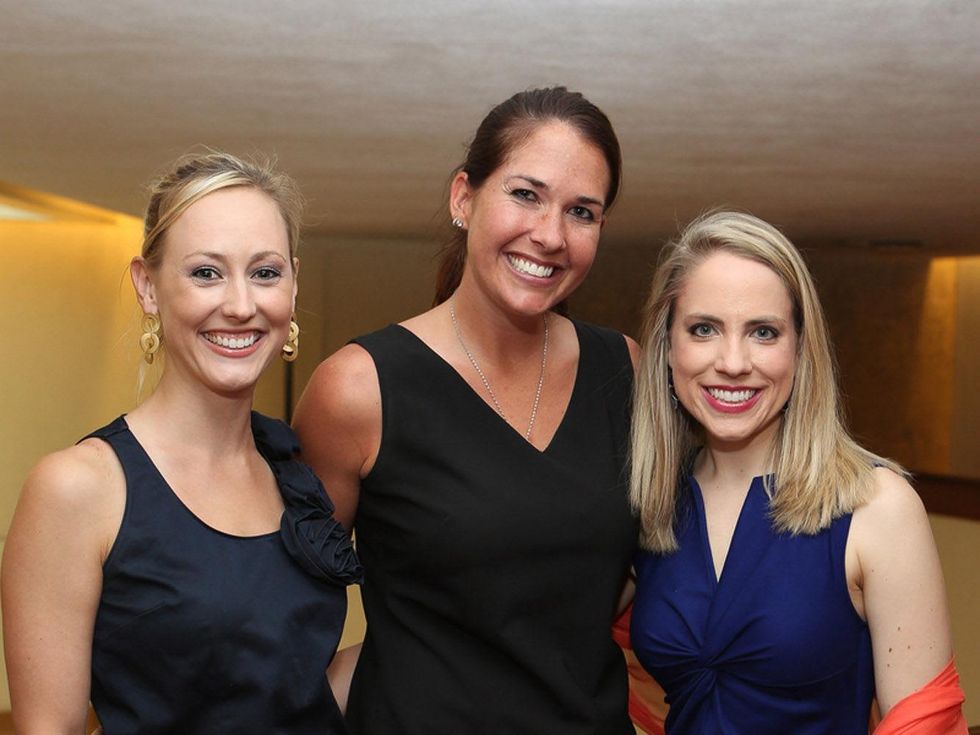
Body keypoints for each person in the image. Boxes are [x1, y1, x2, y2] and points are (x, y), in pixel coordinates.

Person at [293, 87, 639, 734]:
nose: (551, 234)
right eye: (525, 193)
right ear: (463, 197)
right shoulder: (359, 388)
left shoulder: (625, 369)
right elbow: (287, 618)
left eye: (582, 211)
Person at [1, 151, 361, 734]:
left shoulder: (298, 475)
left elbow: (296, 695)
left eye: (265, 272)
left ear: (292, 285)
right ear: (148, 286)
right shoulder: (80, 488)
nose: (241, 305)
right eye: (206, 272)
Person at [628, 210, 966, 733]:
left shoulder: (876, 507)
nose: (734, 361)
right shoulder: (651, 504)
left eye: (763, 332)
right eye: (704, 329)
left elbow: (924, 723)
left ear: (800, 351)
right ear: (668, 347)